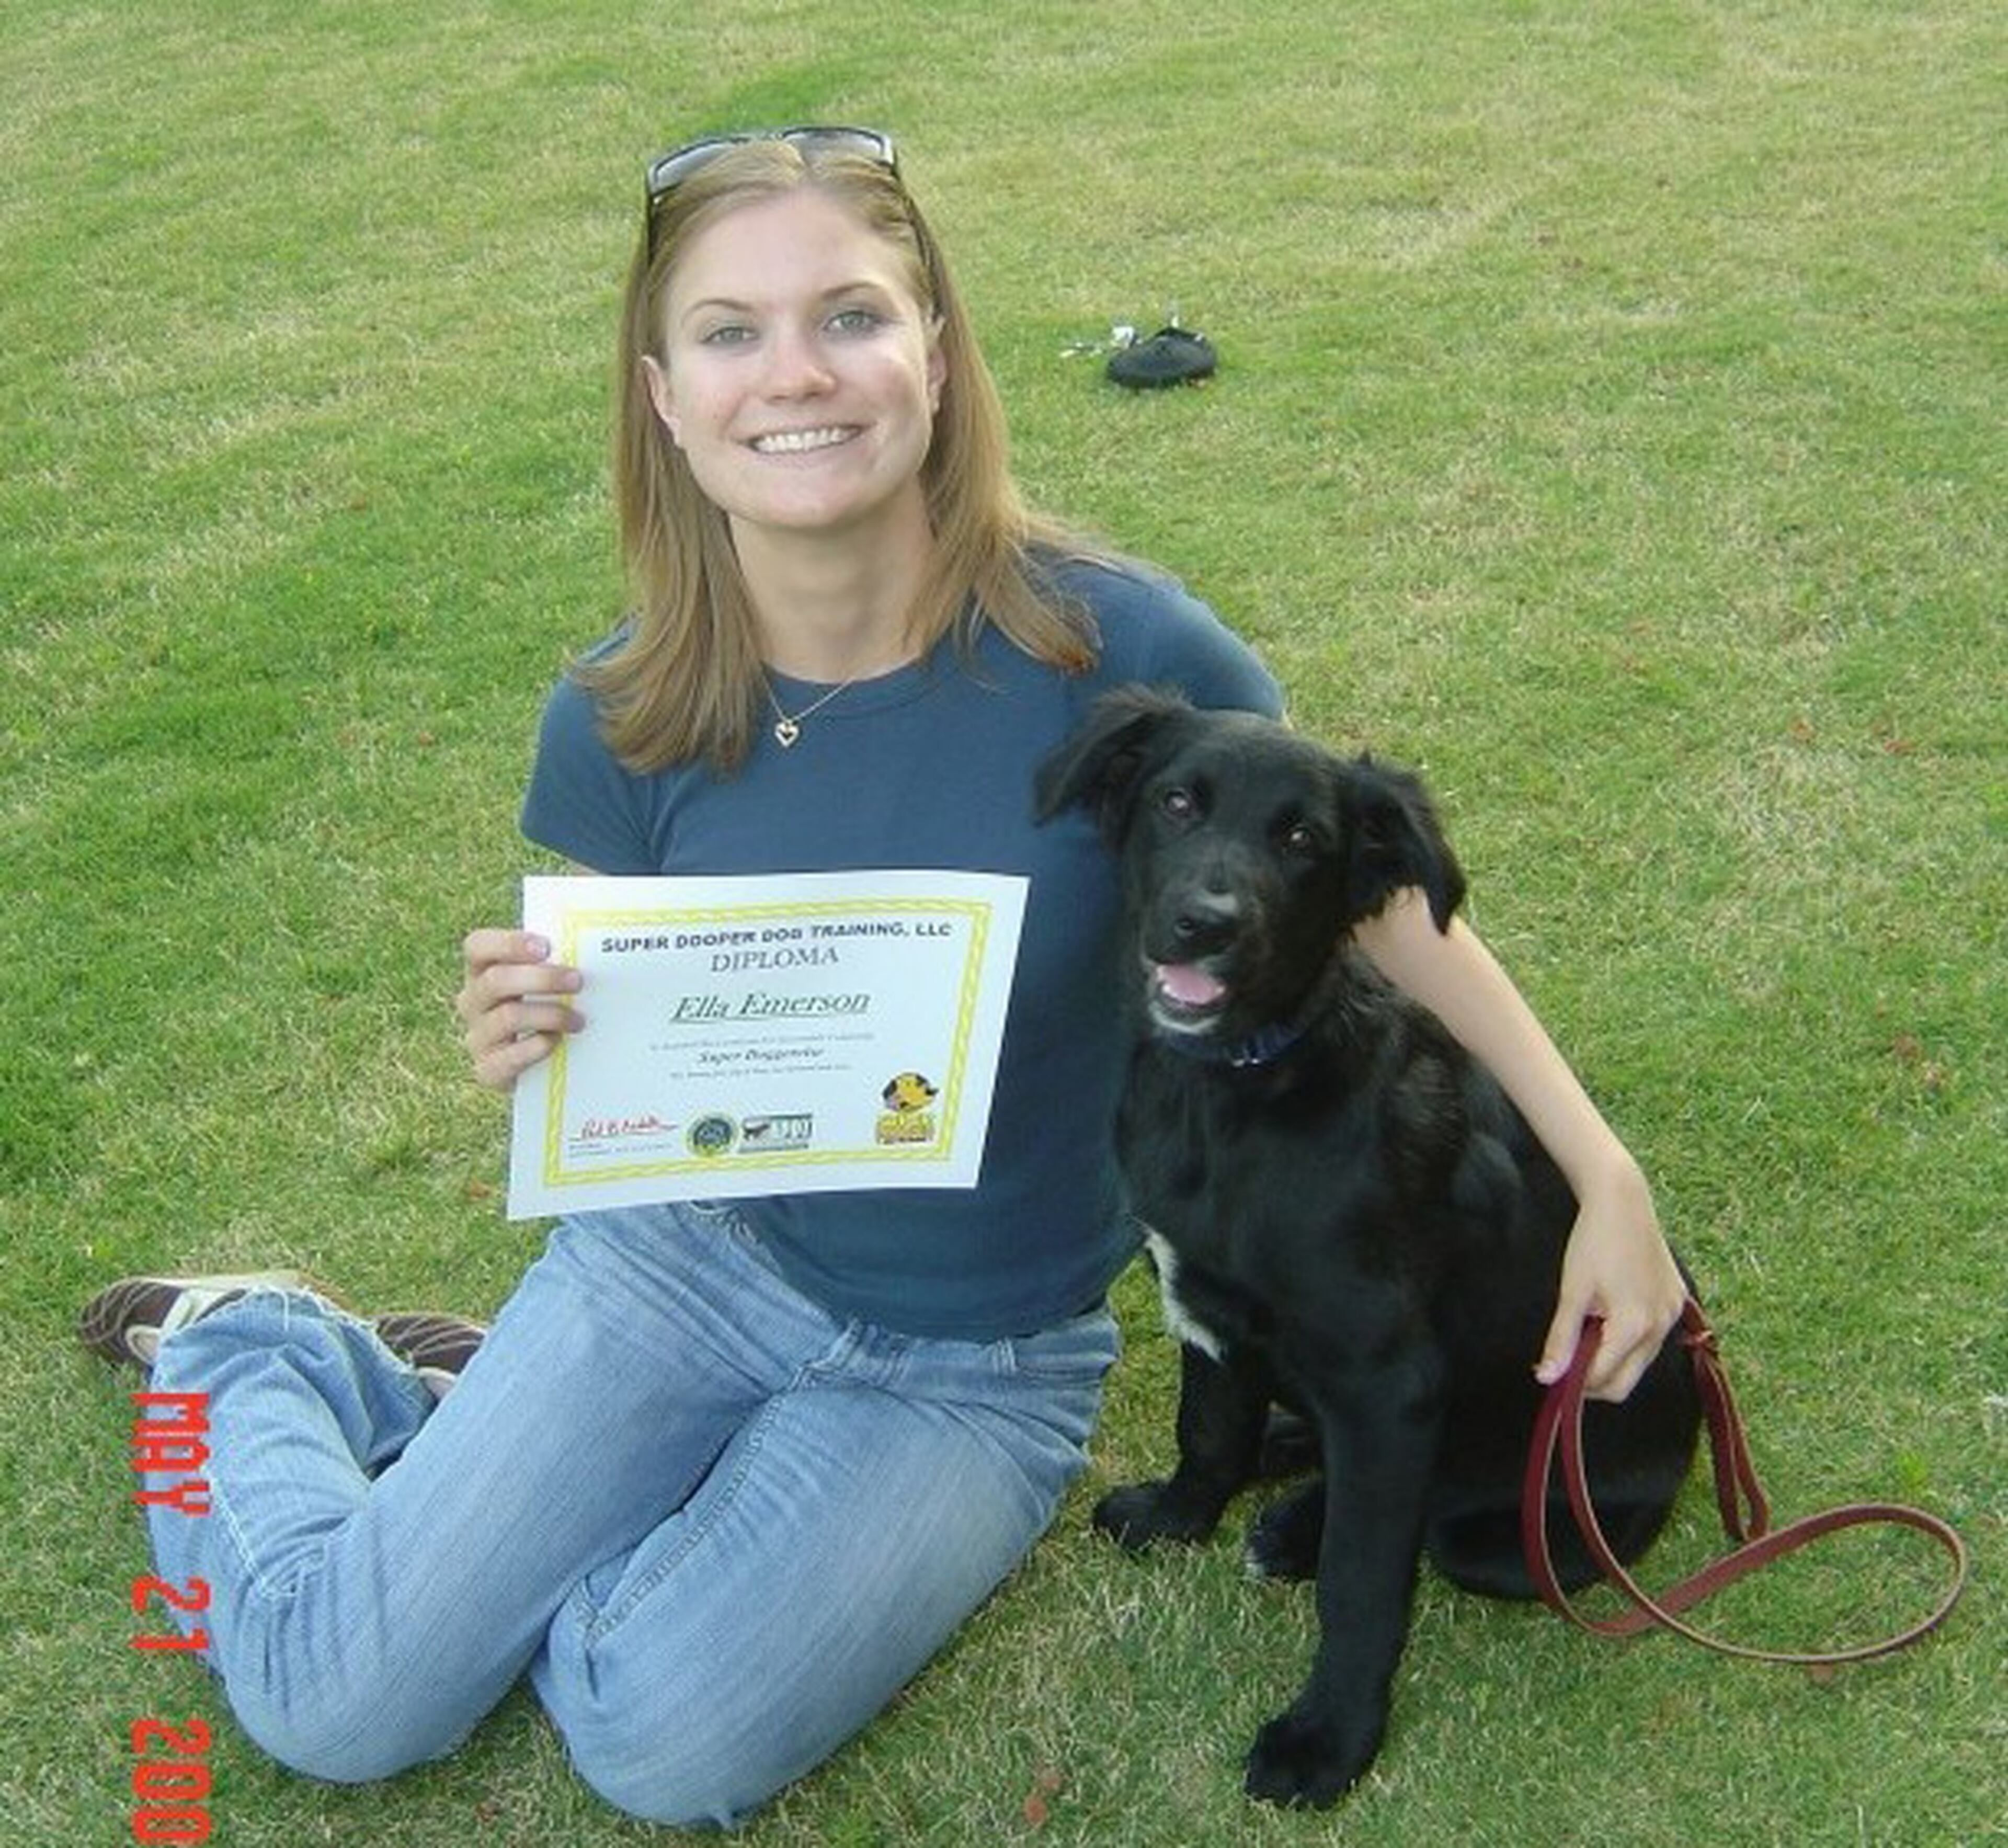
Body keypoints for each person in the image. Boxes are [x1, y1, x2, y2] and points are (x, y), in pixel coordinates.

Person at [82, 126, 1687, 1828]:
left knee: (657, 1741)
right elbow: (645, 1024)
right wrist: (538, 1034)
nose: (797, 375)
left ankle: (495, 1435)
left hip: (973, 1359)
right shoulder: (625, 707)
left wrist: (1603, 1172)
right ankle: (252, 1347)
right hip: (686, 1258)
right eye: (730, 332)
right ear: (665, 393)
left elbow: (1377, 913)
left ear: (937, 351)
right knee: (339, 1704)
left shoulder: (1126, 651)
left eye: (850, 315)